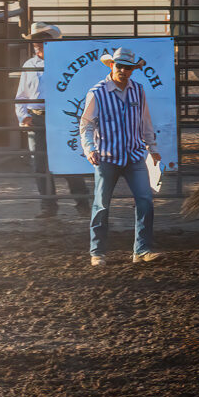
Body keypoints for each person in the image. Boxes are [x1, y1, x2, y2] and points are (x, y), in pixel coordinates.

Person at [79, 48, 162, 267]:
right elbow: (86, 125)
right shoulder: (97, 92)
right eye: (119, 66)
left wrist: (152, 147)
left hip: (135, 155)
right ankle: (97, 252)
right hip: (107, 156)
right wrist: (89, 149)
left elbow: (145, 122)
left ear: (133, 70)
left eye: (127, 67)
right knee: (102, 205)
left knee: (145, 201)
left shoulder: (138, 91)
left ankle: (142, 250)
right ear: (111, 66)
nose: (123, 71)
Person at [15, 22, 90, 218]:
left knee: (67, 160)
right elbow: (21, 95)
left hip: (60, 117)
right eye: (35, 41)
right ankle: (49, 206)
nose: (38, 44)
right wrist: (24, 116)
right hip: (37, 118)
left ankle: (82, 201)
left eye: (42, 40)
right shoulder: (29, 65)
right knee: (40, 164)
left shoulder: (66, 64)